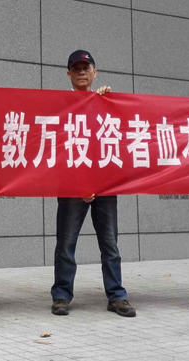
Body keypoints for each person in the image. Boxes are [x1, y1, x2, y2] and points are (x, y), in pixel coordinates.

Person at [50, 50, 136, 318]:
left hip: (104, 185)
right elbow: (58, 147)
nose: (81, 72)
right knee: (66, 244)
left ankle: (117, 296)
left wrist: (107, 100)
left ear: (95, 73)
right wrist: (80, 183)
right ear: (68, 74)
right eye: (76, 69)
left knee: (110, 244)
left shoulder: (106, 102)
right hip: (71, 185)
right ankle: (62, 295)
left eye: (86, 68)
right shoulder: (60, 105)